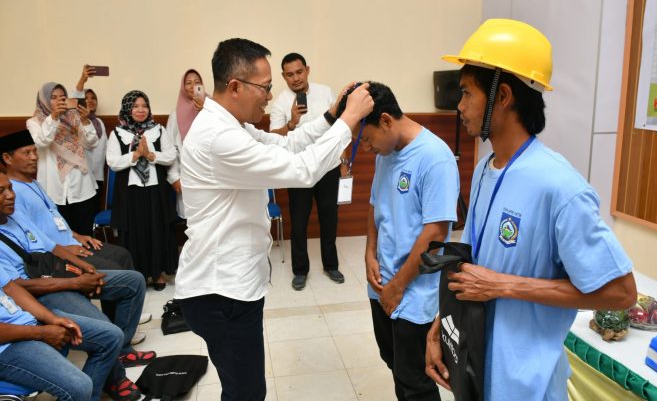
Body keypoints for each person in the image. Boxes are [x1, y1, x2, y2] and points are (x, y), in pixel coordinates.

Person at [425, 19, 637, 400]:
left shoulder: (560, 186)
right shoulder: (485, 170)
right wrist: (443, 323)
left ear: (502, 96)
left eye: (467, 93)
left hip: (527, 386)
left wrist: (502, 285)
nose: (459, 106)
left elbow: (620, 292)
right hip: (475, 369)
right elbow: (469, 265)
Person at [175, 37, 374, 401]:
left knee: (243, 389)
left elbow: (288, 144)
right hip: (221, 291)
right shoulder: (219, 137)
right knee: (247, 393)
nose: (269, 97)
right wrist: (349, 121)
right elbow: (301, 170)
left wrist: (331, 115)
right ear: (235, 86)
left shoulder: (232, 125)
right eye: (265, 88)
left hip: (232, 285)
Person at [335, 82, 459, 401]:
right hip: (382, 285)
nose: (365, 149)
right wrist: (369, 253)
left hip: (413, 292)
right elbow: (376, 205)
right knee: (393, 362)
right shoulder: (386, 152)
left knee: (415, 379)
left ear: (386, 120)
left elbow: (435, 233)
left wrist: (399, 286)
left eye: (366, 140)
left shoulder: (435, 158)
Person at [0, 169, 151, 401]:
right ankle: (115, 378)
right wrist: (75, 283)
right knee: (102, 328)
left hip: (50, 277)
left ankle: (121, 352)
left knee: (133, 281)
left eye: (10, 188)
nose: (11, 195)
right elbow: (22, 286)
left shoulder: (15, 216)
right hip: (40, 291)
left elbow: (48, 249)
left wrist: (84, 268)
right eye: (2, 191)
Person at [0, 129, 150, 346]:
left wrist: (77, 237)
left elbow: (52, 219)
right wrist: (69, 255)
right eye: (27, 153)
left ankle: (122, 325)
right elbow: (34, 249)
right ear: (7, 158)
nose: (34, 157)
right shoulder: (13, 199)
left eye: (35, 152)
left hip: (62, 249)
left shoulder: (32, 184)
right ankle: (114, 331)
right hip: (46, 267)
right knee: (111, 268)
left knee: (123, 258)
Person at [269, 53, 345, 290]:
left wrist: (343, 160)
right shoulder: (280, 102)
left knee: (329, 218)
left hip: (328, 166)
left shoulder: (325, 92)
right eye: (290, 74)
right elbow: (273, 138)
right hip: (298, 168)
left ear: (307, 70)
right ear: (284, 76)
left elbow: (340, 126)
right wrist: (292, 123)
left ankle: (331, 265)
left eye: (299, 72)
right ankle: (300, 270)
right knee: (299, 222)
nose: (295, 78)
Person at [0, 263, 122, 401]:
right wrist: (41, 333)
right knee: (80, 387)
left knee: (111, 337)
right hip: (7, 344)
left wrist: (51, 318)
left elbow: (10, 287)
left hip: (26, 320)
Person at [107, 91, 177, 291]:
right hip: (130, 193)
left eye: (144, 105)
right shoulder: (117, 133)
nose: (140, 110)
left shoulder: (158, 130)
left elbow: (171, 155)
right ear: (127, 109)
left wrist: (151, 155)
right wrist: (136, 155)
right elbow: (112, 162)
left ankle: (158, 273)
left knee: (157, 230)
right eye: (135, 106)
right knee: (135, 233)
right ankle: (138, 274)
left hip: (156, 191)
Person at [26, 72, 99, 236]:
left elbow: (91, 143)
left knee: (85, 235)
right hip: (53, 189)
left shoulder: (74, 118)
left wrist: (85, 121)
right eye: (53, 97)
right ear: (44, 100)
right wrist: (53, 117)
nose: (59, 100)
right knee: (59, 238)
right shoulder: (34, 122)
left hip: (81, 186)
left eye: (62, 97)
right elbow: (42, 142)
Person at [166, 69, 206, 220]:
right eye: (188, 83)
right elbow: (170, 148)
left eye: (197, 82)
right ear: (183, 87)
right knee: (193, 222)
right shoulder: (175, 115)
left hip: (211, 175)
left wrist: (205, 110)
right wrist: (174, 177)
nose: (193, 86)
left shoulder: (212, 109)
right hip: (188, 176)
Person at [83, 88, 108, 217]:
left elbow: (105, 147)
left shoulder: (99, 122)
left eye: (93, 98)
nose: (90, 101)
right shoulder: (77, 122)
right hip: (84, 176)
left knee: (95, 210)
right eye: (86, 98)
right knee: (85, 213)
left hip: (98, 174)